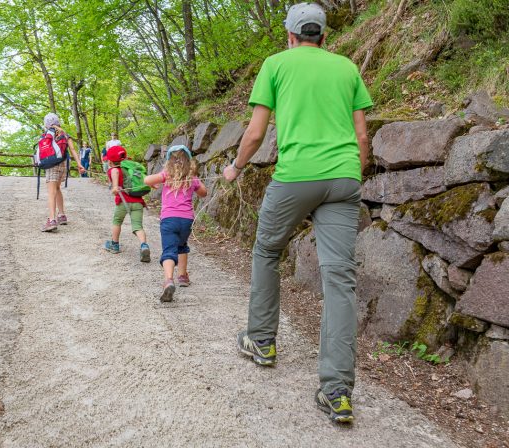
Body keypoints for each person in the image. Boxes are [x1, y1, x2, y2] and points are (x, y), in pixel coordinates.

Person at [222, 2, 373, 424]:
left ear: (290, 36)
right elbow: (362, 135)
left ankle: (262, 341)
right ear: (324, 37)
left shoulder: (275, 64)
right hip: (344, 178)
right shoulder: (346, 68)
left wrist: (234, 168)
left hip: (295, 177)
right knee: (340, 277)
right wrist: (350, 176)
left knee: (267, 250)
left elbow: (255, 132)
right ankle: (337, 390)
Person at [144, 145, 207, 302]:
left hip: (169, 219)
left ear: (169, 162)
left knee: (169, 250)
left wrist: (153, 184)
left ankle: (168, 280)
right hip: (186, 220)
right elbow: (204, 193)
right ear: (188, 162)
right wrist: (194, 185)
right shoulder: (192, 178)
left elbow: (146, 180)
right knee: (182, 245)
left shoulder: (166, 175)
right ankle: (183, 277)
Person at [104, 145, 151, 262]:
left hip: (123, 203)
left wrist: (114, 187)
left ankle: (114, 245)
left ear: (109, 161)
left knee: (117, 222)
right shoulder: (131, 168)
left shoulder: (113, 170)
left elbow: (115, 185)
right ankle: (144, 245)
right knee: (137, 226)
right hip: (138, 202)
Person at [40, 113, 86, 232]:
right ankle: (61, 215)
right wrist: (79, 164)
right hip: (63, 166)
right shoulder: (65, 134)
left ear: (47, 124)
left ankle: (51, 220)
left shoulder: (48, 134)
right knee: (58, 188)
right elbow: (72, 149)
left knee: (51, 192)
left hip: (51, 165)